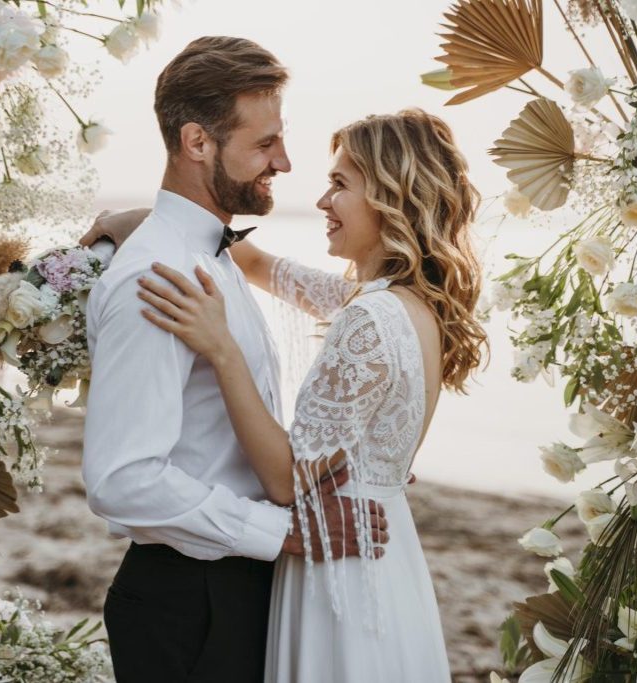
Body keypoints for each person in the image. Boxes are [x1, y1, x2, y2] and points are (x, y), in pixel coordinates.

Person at [96, 109, 487, 681]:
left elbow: (285, 478)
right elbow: (256, 263)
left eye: (340, 185)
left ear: (392, 199)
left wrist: (222, 349)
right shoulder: (402, 303)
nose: (323, 201)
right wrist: (149, 221)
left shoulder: (369, 319)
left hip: (337, 558)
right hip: (385, 550)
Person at [79, 36, 388, 683]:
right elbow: (122, 478)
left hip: (231, 586)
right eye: (264, 143)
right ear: (198, 143)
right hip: (191, 604)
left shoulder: (207, 255)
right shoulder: (157, 281)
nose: (284, 160)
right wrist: (277, 532)